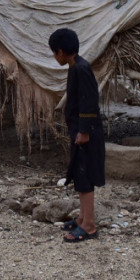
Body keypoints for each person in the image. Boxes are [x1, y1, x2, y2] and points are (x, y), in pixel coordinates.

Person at [48, 28, 106, 243]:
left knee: (85, 176)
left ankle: (89, 226)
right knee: (80, 175)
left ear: (61, 51)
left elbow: (89, 102)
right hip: (80, 131)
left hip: (87, 133)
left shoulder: (82, 69)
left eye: (55, 53)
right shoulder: (75, 67)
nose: (55, 58)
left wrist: (83, 131)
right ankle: (83, 217)